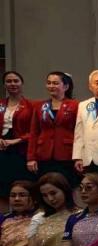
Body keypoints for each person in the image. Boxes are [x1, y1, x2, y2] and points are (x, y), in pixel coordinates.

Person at [28, 71, 79, 187]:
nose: (51, 86)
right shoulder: (40, 106)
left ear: (65, 86)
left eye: (55, 83)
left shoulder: (75, 105)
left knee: (66, 186)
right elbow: (34, 133)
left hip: (66, 154)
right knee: (45, 186)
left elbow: (80, 132)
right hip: (43, 154)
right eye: (49, 83)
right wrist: (31, 158)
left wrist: (79, 157)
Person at [1, 71, 36, 212]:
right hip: (2, 152)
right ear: (4, 85)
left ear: (22, 83)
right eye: (8, 81)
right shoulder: (1, 104)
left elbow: (35, 131)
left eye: (16, 81)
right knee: (2, 189)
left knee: (22, 188)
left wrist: (17, 140)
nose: (12, 84)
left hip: (21, 152)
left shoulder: (31, 105)